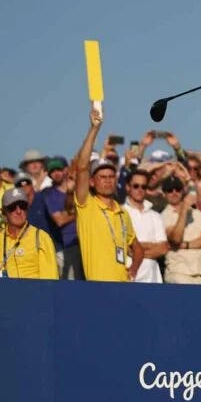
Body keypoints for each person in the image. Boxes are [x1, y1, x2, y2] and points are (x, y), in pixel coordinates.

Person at [73, 107, 143, 282]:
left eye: (111, 176)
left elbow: (138, 248)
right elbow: (81, 168)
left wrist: (133, 270)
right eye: (102, 177)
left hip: (123, 285)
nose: (108, 180)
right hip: (97, 286)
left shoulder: (122, 213)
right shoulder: (86, 204)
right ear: (92, 181)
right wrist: (94, 129)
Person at [161, 175, 201, 285]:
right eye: (170, 190)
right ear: (164, 193)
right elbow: (176, 239)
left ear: (183, 191)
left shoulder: (196, 212)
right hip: (178, 272)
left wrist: (187, 245)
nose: (174, 192)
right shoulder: (163, 215)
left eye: (177, 189)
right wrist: (184, 210)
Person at [1, 187, 58, 279]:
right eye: (12, 207)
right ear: (4, 211)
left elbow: (50, 280)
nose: (18, 211)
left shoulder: (41, 237)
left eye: (22, 206)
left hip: (34, 292)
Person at [123, 170, 169, 283]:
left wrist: (138, 250)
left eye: (143, 186)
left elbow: (163, 248)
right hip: (128, 275)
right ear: (128, 187)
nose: (140, 189)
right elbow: (124, 248)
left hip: (152, 277)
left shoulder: (155, 215)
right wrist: (151, 246)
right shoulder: (120, 212)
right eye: (136, 186)